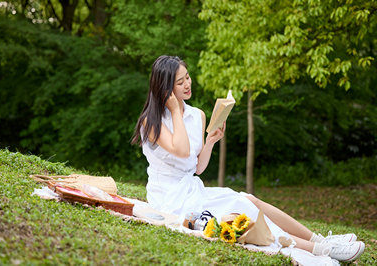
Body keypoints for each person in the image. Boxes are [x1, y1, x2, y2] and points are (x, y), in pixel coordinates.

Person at [131, 55, 365, 262]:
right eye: (180, 82)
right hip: (170, 199)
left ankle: (320, 238)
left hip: (193, 188)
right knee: (241, 209)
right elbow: (181, 150)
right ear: (164, 89)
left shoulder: (197, 115)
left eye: (188, 77)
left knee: (250, 199)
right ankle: (320, 249)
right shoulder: (150, 122)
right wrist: (174, 109)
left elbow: (197, 168)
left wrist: (211, 141)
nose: (188, 84)